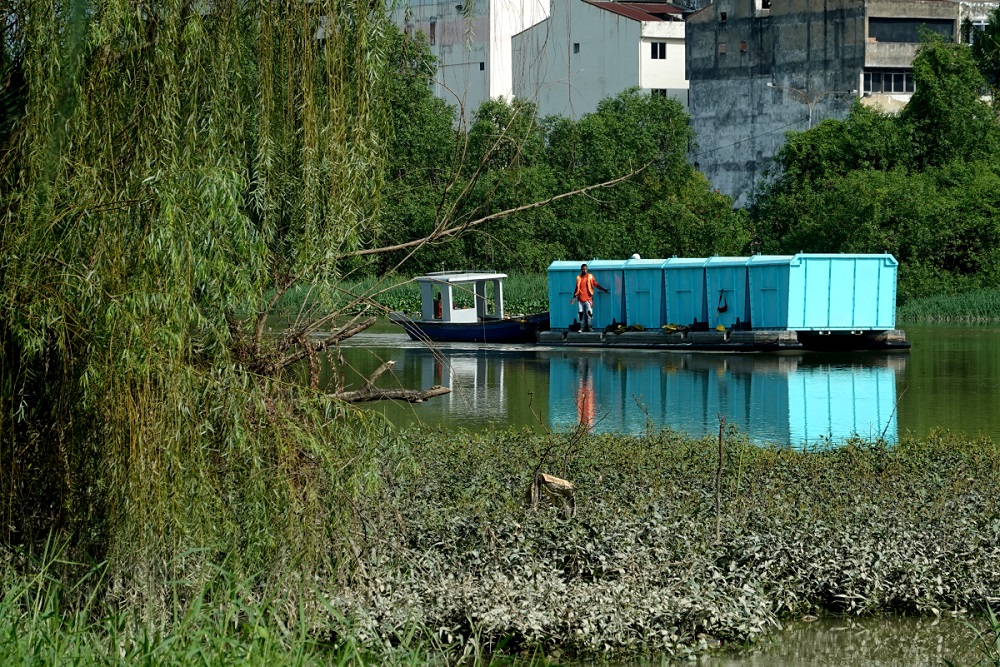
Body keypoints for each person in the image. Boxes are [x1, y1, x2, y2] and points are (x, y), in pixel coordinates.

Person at [570, 263, 609, 332]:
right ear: (581, 270)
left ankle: (589, 326)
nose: (584, 270)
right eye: (583, 269)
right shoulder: (578, 277)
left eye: (586, 269)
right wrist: (573, 298)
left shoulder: (590, 276)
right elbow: (576, 288)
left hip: (588, 299)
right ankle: (582, 327)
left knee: (589, 313)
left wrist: (603, 289)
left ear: (587, 269)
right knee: (581, 314)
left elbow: (596, 284)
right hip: (580, 299)